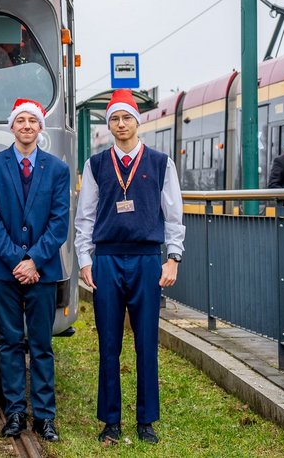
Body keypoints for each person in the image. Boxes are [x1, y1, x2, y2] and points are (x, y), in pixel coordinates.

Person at [74, 89, 185, 445]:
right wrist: (84, 259)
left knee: (146, 343)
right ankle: (111, 422)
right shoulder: (95, 165)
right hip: (107, 259)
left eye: (126, 118)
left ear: (138, 121)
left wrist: (173, 257)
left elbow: (174, 216)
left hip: (147, 260)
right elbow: (85, 217)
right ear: (109, 126)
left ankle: (146, 420)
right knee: (109, 343)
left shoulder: (160, 163)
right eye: (114, 120)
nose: (121, 125)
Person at [0, 99, 69, 442]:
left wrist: (34, 260)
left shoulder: (57, 169)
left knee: (42, 344)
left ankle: (45, 416)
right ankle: (15, 410)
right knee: (9, 341)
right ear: (12, 127)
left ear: (40, 127)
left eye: (33, 120)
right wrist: (17, 260)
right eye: (21, 121)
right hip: (3, 270)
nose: (27, 126)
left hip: (43, 270)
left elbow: (59, 222)